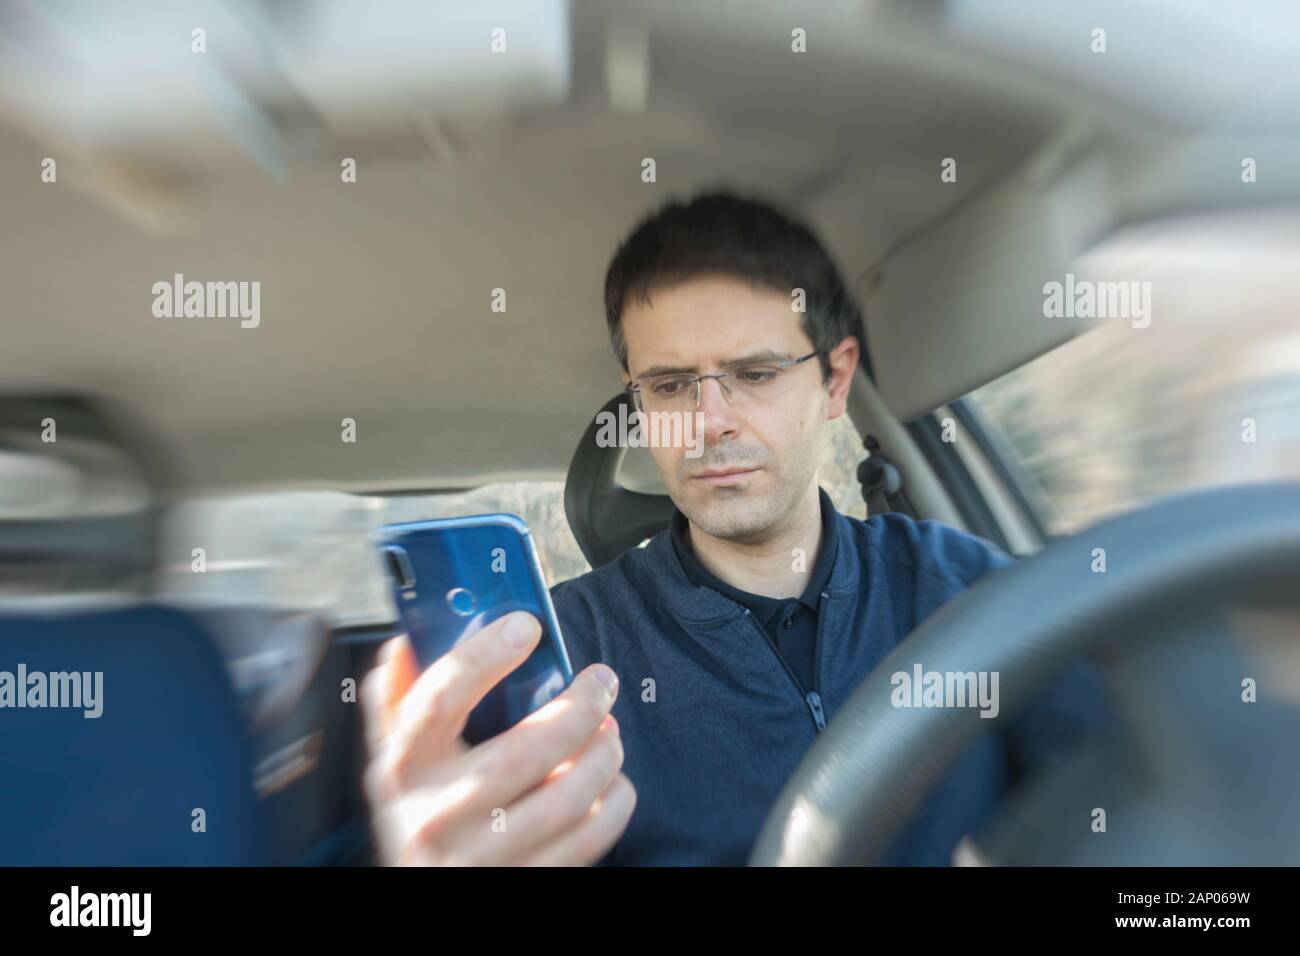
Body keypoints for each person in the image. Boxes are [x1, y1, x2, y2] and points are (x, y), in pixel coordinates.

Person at [361, 190, 1104, 866]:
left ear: (836, 381)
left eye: (755, 373)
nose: (708, 424)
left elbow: (1143, 784)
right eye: (671, 384)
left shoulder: (959, 588)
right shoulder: (564, 658)